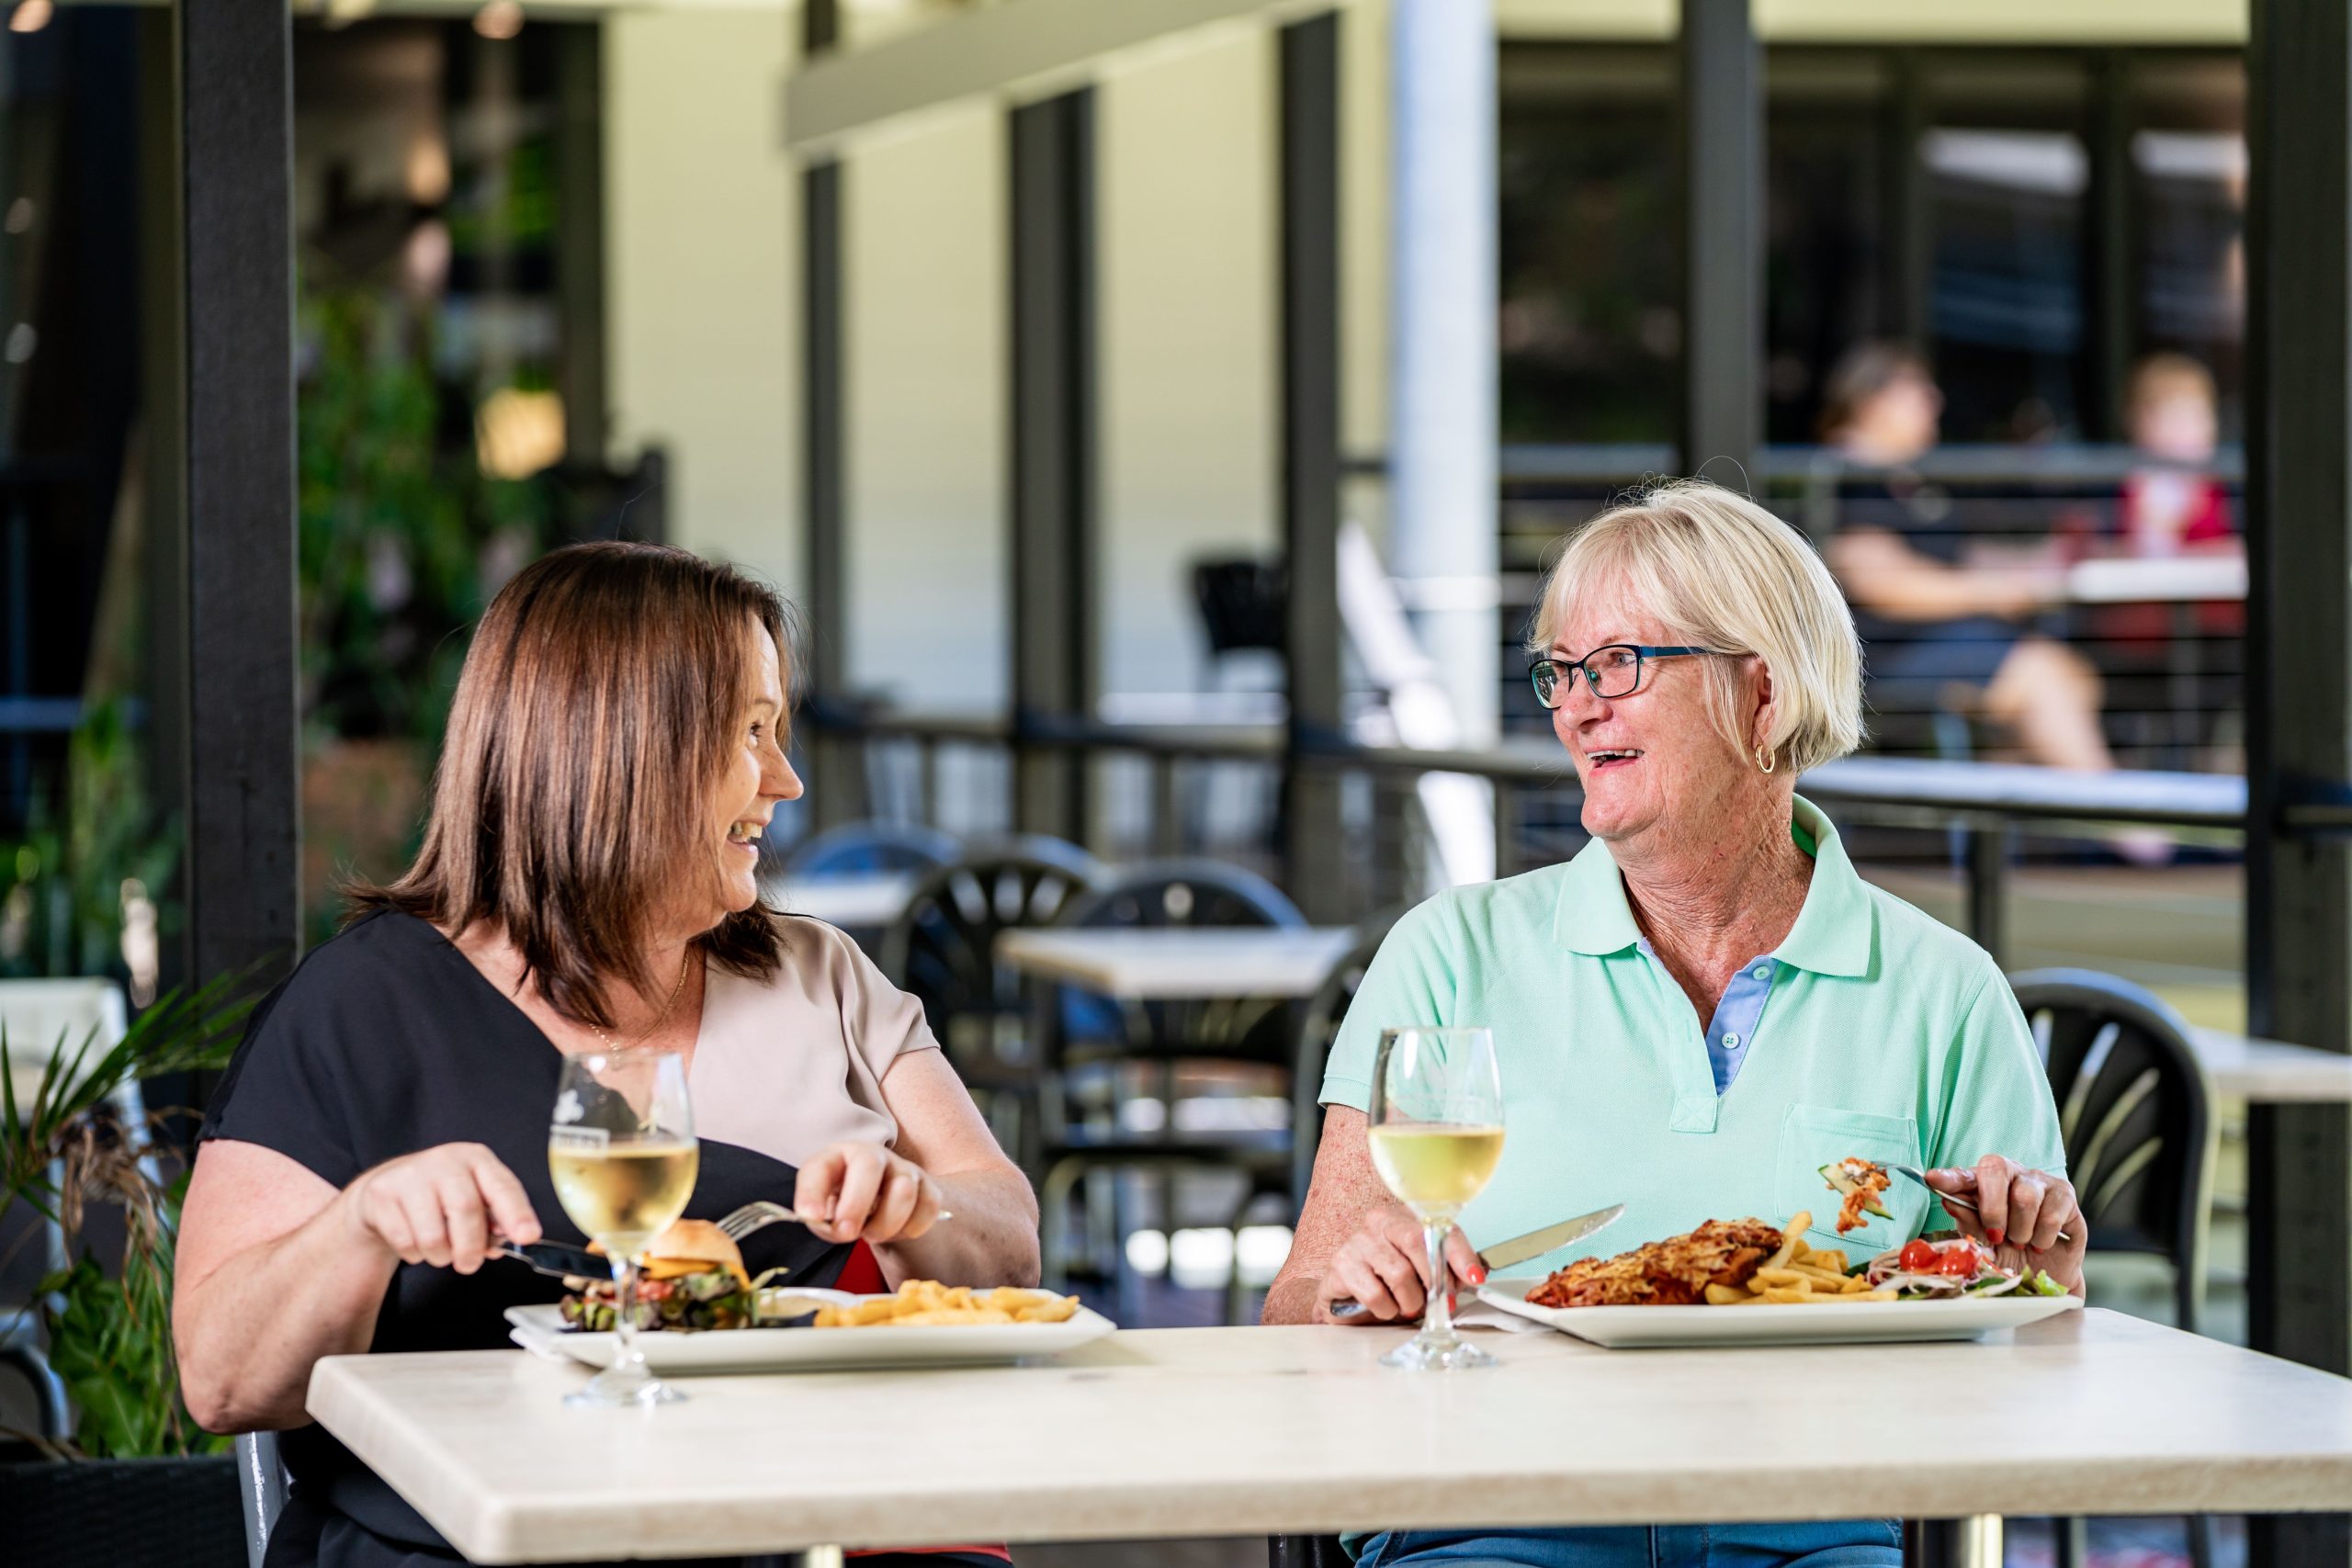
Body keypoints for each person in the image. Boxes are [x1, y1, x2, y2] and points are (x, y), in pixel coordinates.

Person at [173, 542, 1040, 1568]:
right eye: (750, 734)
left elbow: (1008, 1241)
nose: (787, 780)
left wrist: (918, 1208)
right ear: (621, 749)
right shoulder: (358, 1011)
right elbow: (223, 1382)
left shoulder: (826, 976)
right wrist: (358, 1229)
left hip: (824, 1528)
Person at [1265, 480, 2082, 1568]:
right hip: (1493, 1525)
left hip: (1811, 1537)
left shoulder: (1943, 991)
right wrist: (1349, 1293)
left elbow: (2033, 1359)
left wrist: (2040, 1277)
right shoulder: (1448, 955)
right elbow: (1291, 1318)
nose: (1575, 707)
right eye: (1561, 671)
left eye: (1619, 665)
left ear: (1764, 693)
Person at [1815, 342, 2124, 778]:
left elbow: (1955, 556)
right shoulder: (1848, 476)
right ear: (1874, 401)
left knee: (2075, 678)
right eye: (1918, 390)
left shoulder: (1903, 478)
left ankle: (2004, 828)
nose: (1934, 402)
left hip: (1934, 642)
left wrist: (2040, 561)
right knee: (2045, 678)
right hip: (1883, 656)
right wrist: (1993, 591)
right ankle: (2130, 830)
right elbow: (1882, 582)